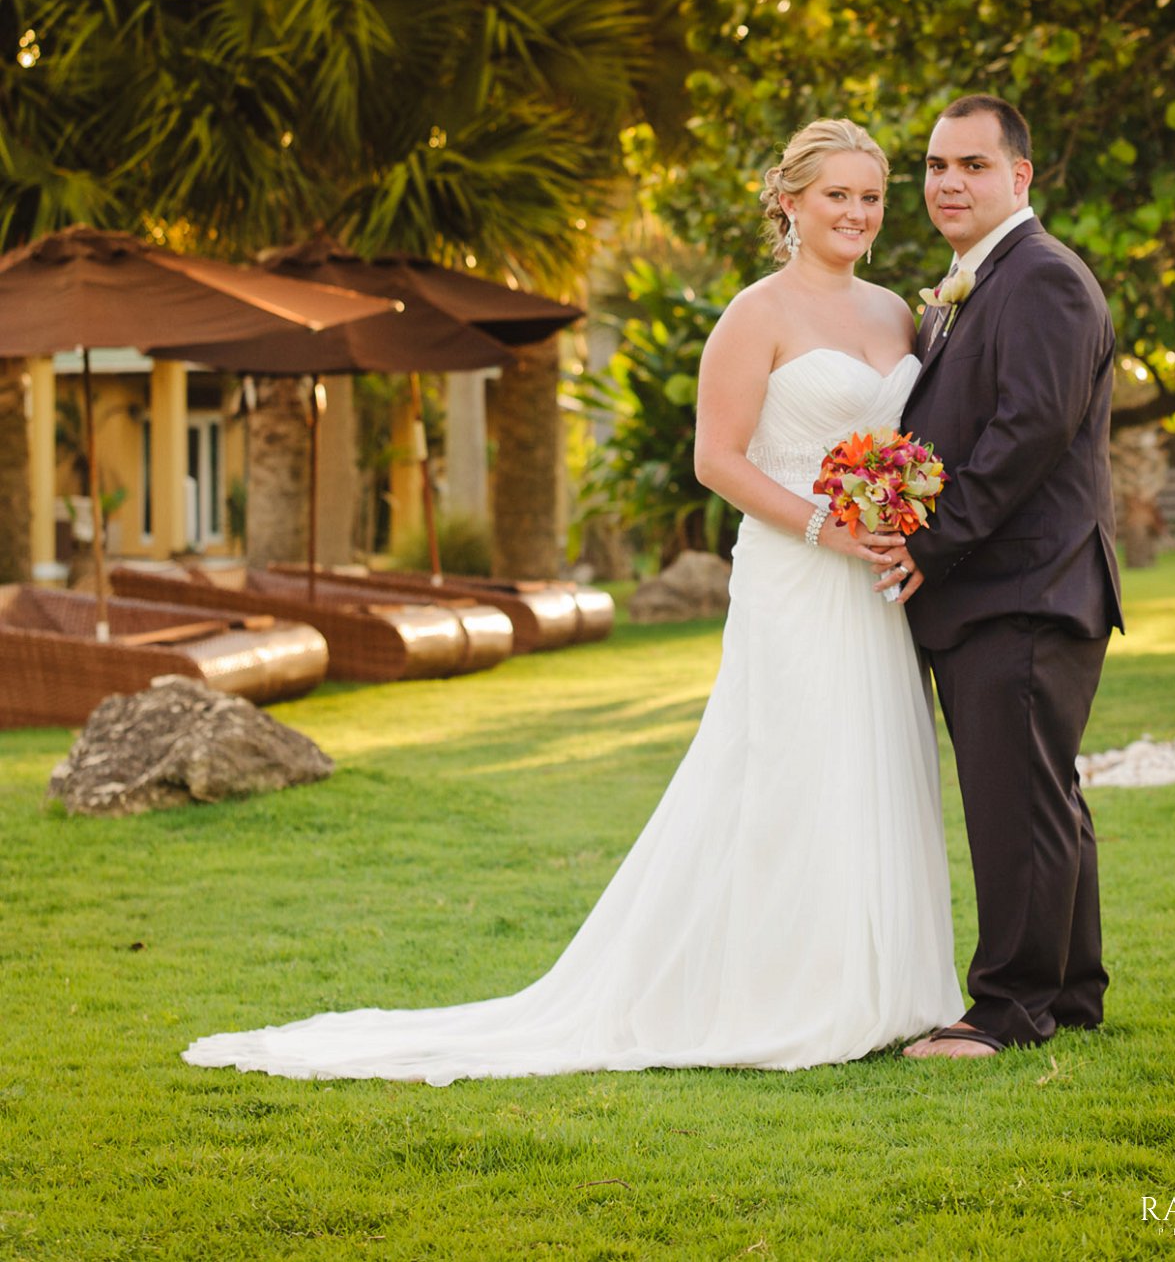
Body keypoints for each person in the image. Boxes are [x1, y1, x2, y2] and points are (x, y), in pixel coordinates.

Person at [183, 118, 961, 1084]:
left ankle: (883, 986)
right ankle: (782, 992)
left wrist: (890, 524)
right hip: (797, 574)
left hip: (873, 583)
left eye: (871, 195)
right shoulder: (753, 315)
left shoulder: (899, 313)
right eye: (837, 194)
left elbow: (905, 444)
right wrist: (823, 528)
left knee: (875, 758)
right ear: (789, 201)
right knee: (789, 768)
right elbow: (714, 459)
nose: (856, 212)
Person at [874, 95, 1124, 1058]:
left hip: (1024, 585)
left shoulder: (1044, 279)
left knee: (1016, 797)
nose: (947, 182)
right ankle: (1068, 991)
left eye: (971, 166)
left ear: (1019, 176)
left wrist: (927, 546)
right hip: (1008, 587)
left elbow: (1025, 436)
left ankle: (1007, 1007)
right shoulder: (971, 283)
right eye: (936, 166)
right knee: (1038, 790)